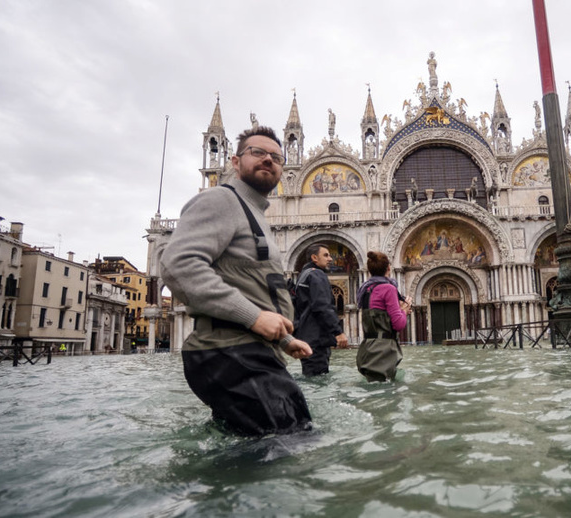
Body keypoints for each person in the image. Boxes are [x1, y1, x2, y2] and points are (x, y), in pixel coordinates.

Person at [160, 126, 314, 436]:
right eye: (257, 152)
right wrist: (255, 317)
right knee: (290, 447)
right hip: (232, 353)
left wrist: (284, 340)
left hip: (247, 353)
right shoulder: (221, 200)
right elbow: (178, 265)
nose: (267, 160)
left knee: (260, 449)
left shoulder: (253, 213)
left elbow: (254, 287)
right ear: (234, 161)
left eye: (276, 157)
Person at [293, 243, 348, 376]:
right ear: (314, 258)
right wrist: (338, 332)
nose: (330, 259)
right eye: (326, 255)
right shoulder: (317, 275)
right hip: (316, 339)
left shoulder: (303, 275)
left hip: (305, 338)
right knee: (319, 380)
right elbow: (322, 306)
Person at [355, 251, 411, 382]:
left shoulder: (365, 289)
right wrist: (404, 310)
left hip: (366, 350)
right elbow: (399, 324)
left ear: (369, 271)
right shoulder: (388, 288)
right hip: (383, 352)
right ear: (389, 268)